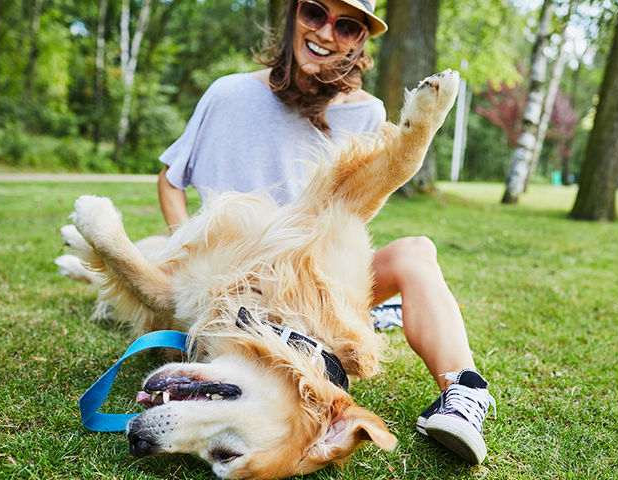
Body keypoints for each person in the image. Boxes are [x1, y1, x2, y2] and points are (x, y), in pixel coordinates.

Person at [157, 0, 495, 465]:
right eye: (315, 12)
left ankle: (463, 394)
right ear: (294, 12)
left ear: (360, 41)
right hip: (234, 280)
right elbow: (171, 180)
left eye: (348, 25)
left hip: (311, 281)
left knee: (416, 251)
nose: (326, 32)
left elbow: (351, 215)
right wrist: (186, 252)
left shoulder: (368, 113)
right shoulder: (228, 93)